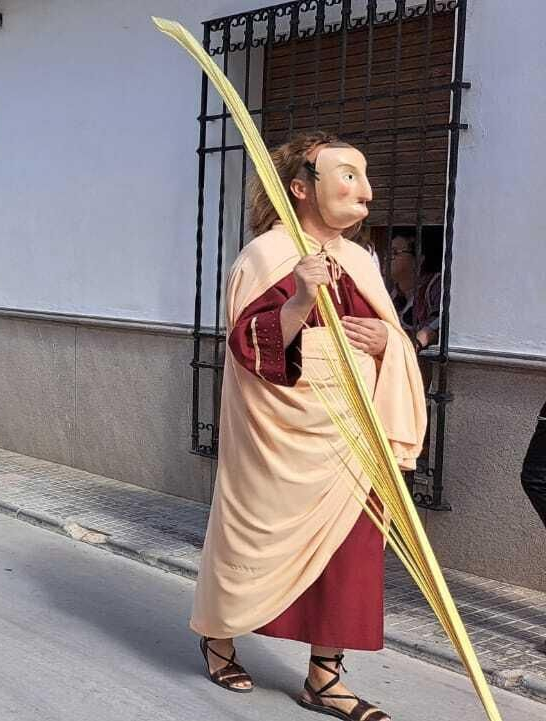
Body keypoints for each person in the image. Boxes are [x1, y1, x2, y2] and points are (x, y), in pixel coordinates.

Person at [191, 131, 426, 721]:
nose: (366, 192)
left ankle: (326, 677)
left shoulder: (361, 260)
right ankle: (219, 636)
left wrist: (385, 345)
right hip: (279, 433)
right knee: (249, 538)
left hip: (351, 434)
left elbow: (389, 337)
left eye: (365, 177)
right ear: (301, 188)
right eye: (348, 176)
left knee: (349, 555)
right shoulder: (266, 256)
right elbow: (248, 345)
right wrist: (298, 298)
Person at [387, 228, 442, 354]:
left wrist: (420, 339)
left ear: (418, 259)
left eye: (395, 252)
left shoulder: (435, 285)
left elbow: (441, 320)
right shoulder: (392, 292)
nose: (387, 258)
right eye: (388, 252)